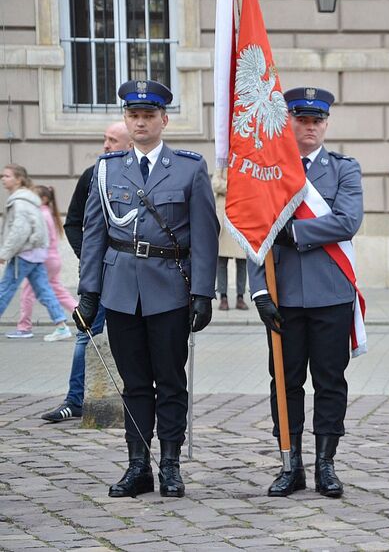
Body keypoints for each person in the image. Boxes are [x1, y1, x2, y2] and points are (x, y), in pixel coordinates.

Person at [73, 80, 218, 498]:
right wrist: (88, 293)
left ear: (163, 120)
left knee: (170, 381)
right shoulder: (106, 170)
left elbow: (205, 235)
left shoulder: (190, 168)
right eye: (133, 115)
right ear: (125, 119)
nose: (140, 122)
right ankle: (138, 465)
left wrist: (203, 293)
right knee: (134, 383)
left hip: (170, 288)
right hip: (120, 291)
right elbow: (95, 234)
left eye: (148, 116)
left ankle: (170, 465)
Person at [249, 87, 363, 499]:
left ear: (326, 124)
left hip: (331, 293)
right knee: (285, 380)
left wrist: (293, 231)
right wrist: (259, 291)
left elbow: (348, 221)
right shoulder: (267, 170)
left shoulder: (343, 169)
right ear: (289, 122)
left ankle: (326, 464)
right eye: (302, 119)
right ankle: (290, 462)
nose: (310, 126)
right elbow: (254, 233)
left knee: (331, 381)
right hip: (282, 296)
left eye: (317, 120)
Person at [39, 121, 131, 423]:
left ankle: (137, 398)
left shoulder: (144, 175)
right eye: (105, 139)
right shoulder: (94, 175)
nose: (106, 145)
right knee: (85, 335)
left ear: (129, 145)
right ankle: (75, 400)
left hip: (134, 276)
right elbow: (73, 222)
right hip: (100, 277)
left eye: (113, 140)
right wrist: (90, 259)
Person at [0, 164, 73, 342]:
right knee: (45, 291)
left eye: (7, 176)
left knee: (5, 290)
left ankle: (56, 327)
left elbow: (19, 230)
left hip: (24, 255)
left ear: (19, 179)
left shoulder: (20, 201)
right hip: (35, 256)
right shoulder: (30, 200)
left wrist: (5, 253)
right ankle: (62, 326)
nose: (3, 179)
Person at [212, 168, 248, 311]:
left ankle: (240, 297)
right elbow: (215, 184)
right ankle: (223, 297)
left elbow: (249, 186)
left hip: (242, 216)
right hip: (224, 219)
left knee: (242, 261)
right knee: (221, 261)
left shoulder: (245, 162)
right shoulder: (221, 162)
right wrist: (234, 186)